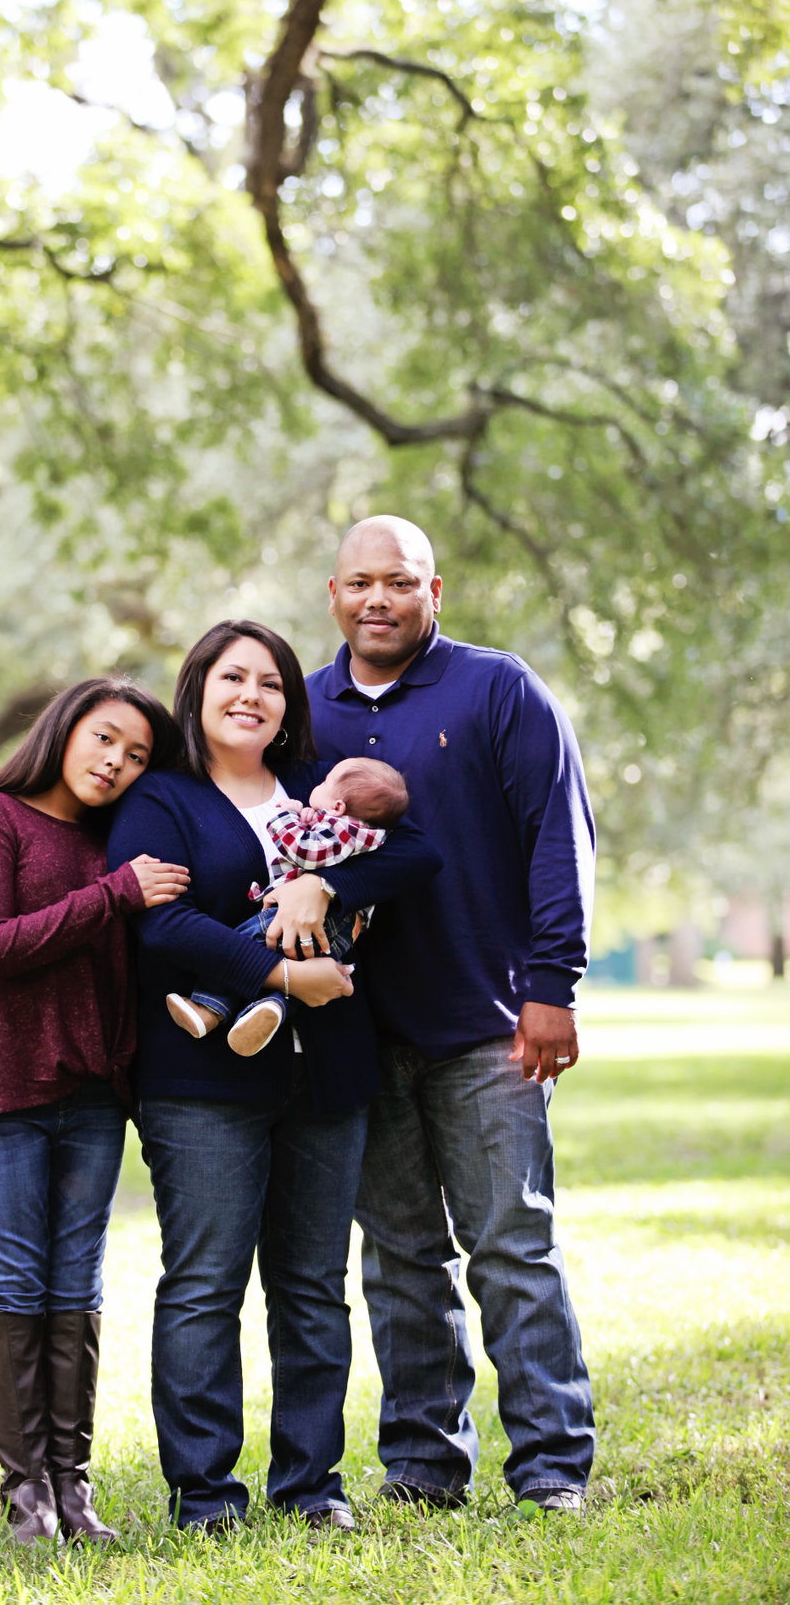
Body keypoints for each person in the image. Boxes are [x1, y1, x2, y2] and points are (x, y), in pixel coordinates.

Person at [107, 621, 442, 1533]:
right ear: (198, 690)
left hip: (325, 1077)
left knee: (309, 1287)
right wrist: (279, 973)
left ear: (289, 705)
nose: (251, 695)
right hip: (199, 1083)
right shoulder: (161, 801)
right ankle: (206, 1495)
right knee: (205, 1283)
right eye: (232, 678)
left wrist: (324, 889)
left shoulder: (317, 789)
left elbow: (416, 853)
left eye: (270, 683)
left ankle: (310, 1487)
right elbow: (157, 929)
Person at [305, 516, 596, 1516]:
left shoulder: (497, 688)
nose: (376, 598)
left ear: (438, 592)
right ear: (333, 593)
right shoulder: (302, 710)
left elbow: (558, 837)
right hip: (357, 1033)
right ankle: (425, 1464)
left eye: (399, 580)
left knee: (512, 1244)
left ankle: (552, 1463)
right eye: (358, 582)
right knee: (397, 1258)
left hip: (489, 1024)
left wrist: (551, 986)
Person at [0, 679, 189, 1546]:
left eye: (137, 755)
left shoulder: (122, 840)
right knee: (8, 1281)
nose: (115, 762)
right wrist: (115, 895)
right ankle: (25, 1497)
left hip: (89, 1096)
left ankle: (72, 1490)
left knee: (74, 1284)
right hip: (0, 1087)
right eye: (105, 738)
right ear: (64, 730)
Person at [165, 756, 409, 1057]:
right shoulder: (361, 831)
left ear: (338, 808)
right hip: (336, 931)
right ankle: (268, 1008)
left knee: (248, 940)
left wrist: (286, 815)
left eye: (324, 784)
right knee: (289, 978)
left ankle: (208, 1006)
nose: (316, 785)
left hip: (324, 920)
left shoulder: (347, 829)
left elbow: (305, 852)